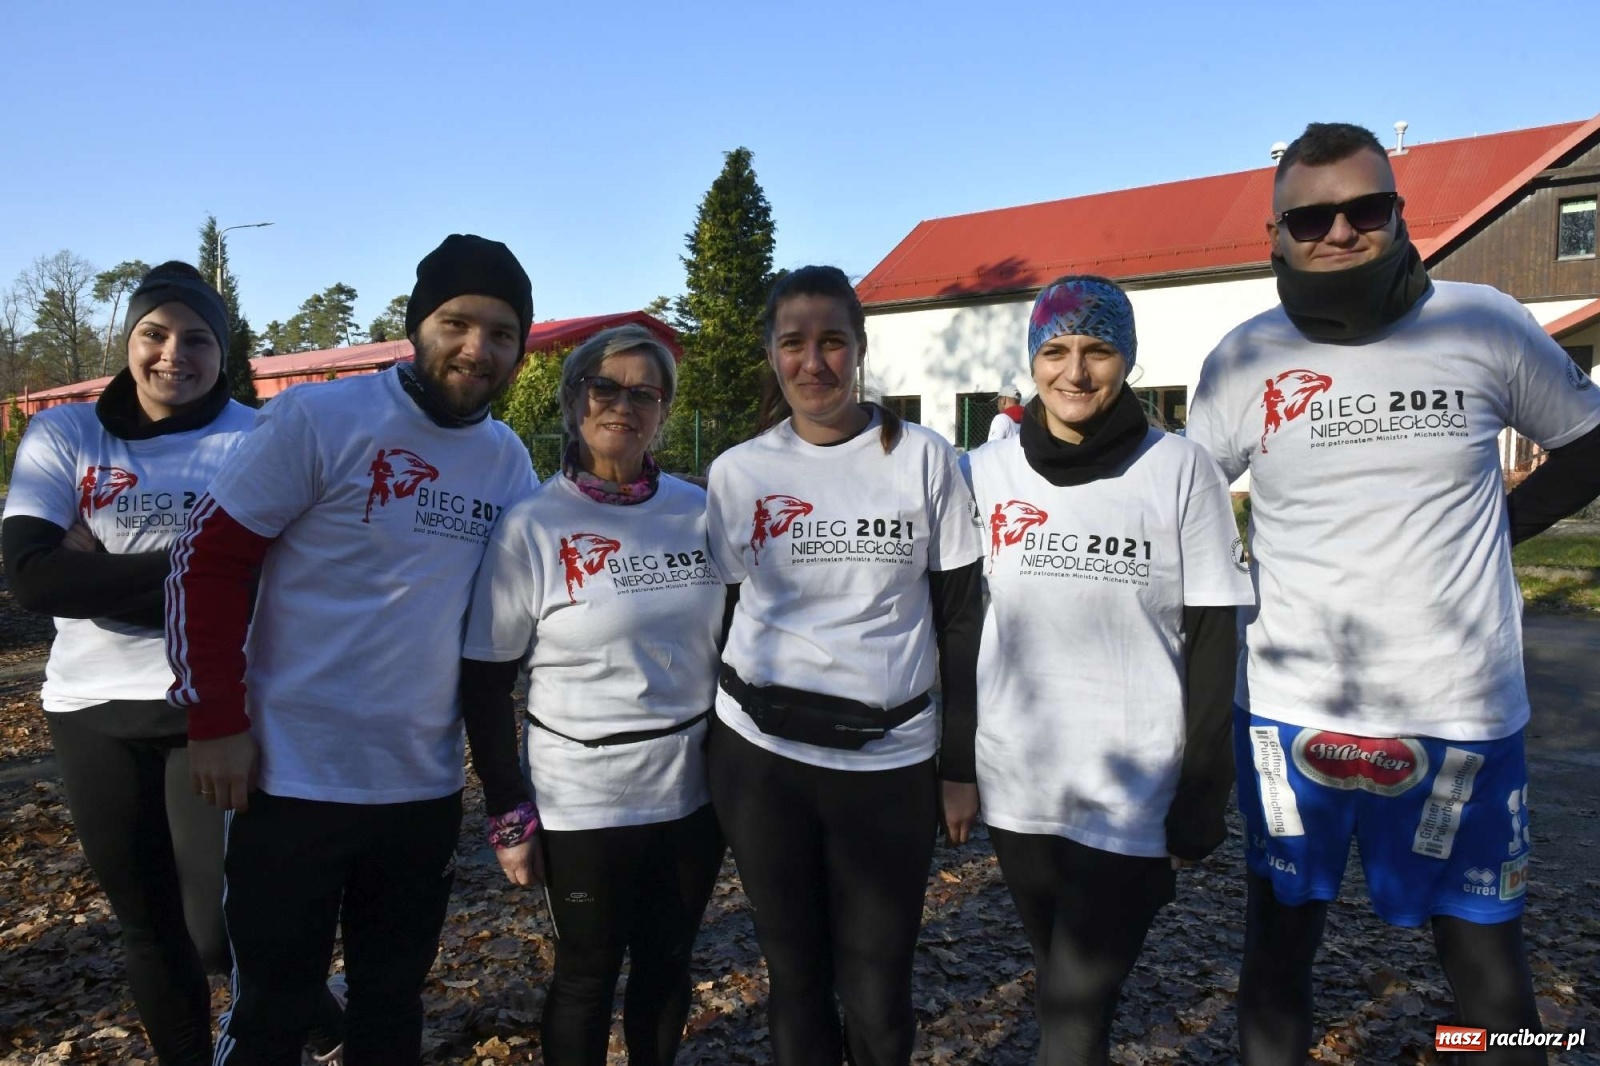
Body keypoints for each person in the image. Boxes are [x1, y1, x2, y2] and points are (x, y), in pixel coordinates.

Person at [1185, 122, 1600, 1066]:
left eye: (1365, 208)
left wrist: (1503, 526)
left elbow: (1588, 443)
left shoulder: (1482, 320)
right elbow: (1188, 504)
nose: (1340, 231)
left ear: (1399, 214)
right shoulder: (1243, 357)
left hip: (1458, 711)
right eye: (1312, 216)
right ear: (1276, 231)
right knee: (1279, 957)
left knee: (1489, 986)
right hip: (1290, 714)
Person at [164, 234, 539, 1065]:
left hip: (420, 788)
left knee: (389, 1006)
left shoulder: (507, 461)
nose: (477, 348)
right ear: (417, 326)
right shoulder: (323, 417)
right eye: (457, 322)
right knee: (274, 1009)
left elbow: (511, 627)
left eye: (502, 332)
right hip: (290, 776)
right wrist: (215, 716)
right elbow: (208, 561)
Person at [962, 275, 1254, 1065]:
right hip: (1018, 785)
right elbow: (953, 623)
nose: (1075, 371)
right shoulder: (984, 474)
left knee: (1074, 1012)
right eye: (1054, 350)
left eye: (1098, 350)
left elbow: (1213, 636)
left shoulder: (1181, 470)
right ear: (1032, 361)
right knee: (1057, 980)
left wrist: (1202, 788)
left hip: (1130, 792)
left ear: (1127, 358)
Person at [704, 265, 985, 1066]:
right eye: (794, 343)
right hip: (763, 761)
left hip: (889, 762)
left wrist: (958, 765)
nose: (814, 362)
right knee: (794, 979)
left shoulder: (925, 459)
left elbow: (961, 618)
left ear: (860, 349)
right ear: (772, 353)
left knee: (876, 987)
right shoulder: (739, 473)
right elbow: (719, 616)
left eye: (833, 342)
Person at [2, 262, 275, 1064]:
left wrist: (96, 567)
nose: (172, 354)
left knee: (214, 931)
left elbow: (274, 577)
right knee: (147, 926)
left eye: (197, 339)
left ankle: (315, 1018)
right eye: (154, 334)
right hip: (90, 708)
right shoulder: (66, 433)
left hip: (212, 704)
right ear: (129, 340)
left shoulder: (258, 438)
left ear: (222, 352)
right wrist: (207, 571)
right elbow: (32, 577)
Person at [459, 324, 726, 1066]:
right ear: (574, 398)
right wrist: (507, 809)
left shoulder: (699, 511)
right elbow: (485, 681)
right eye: (605, 388)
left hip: (690, 789)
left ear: (666, 410)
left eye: (646, 392)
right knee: (586, 974)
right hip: (582, 795)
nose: (623, 405)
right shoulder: (532, 527)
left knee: (668, 965)